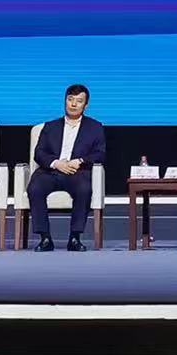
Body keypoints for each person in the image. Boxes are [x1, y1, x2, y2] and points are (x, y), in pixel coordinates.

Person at [26, 84, 106, 251]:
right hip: (50, 171)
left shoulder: (95, 127)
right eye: (70, 100)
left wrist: (80, 161)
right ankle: (45, 238)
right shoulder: (50, 126)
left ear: (86, 105)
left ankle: (75, 238)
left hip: (77, 171)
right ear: (65, 101)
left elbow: (100, 153)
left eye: (79, 101)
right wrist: (57, 163)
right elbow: (39, 153)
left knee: (84, 189)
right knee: (35, 188)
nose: (73, 104)